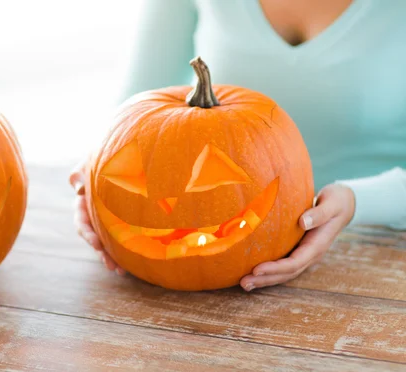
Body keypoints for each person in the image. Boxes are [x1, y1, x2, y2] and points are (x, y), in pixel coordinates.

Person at [69, 0, 406, 291]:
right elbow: (129, 115)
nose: (168, 205)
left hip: (378, 253)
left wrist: (356, 202)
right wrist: (96, 180)